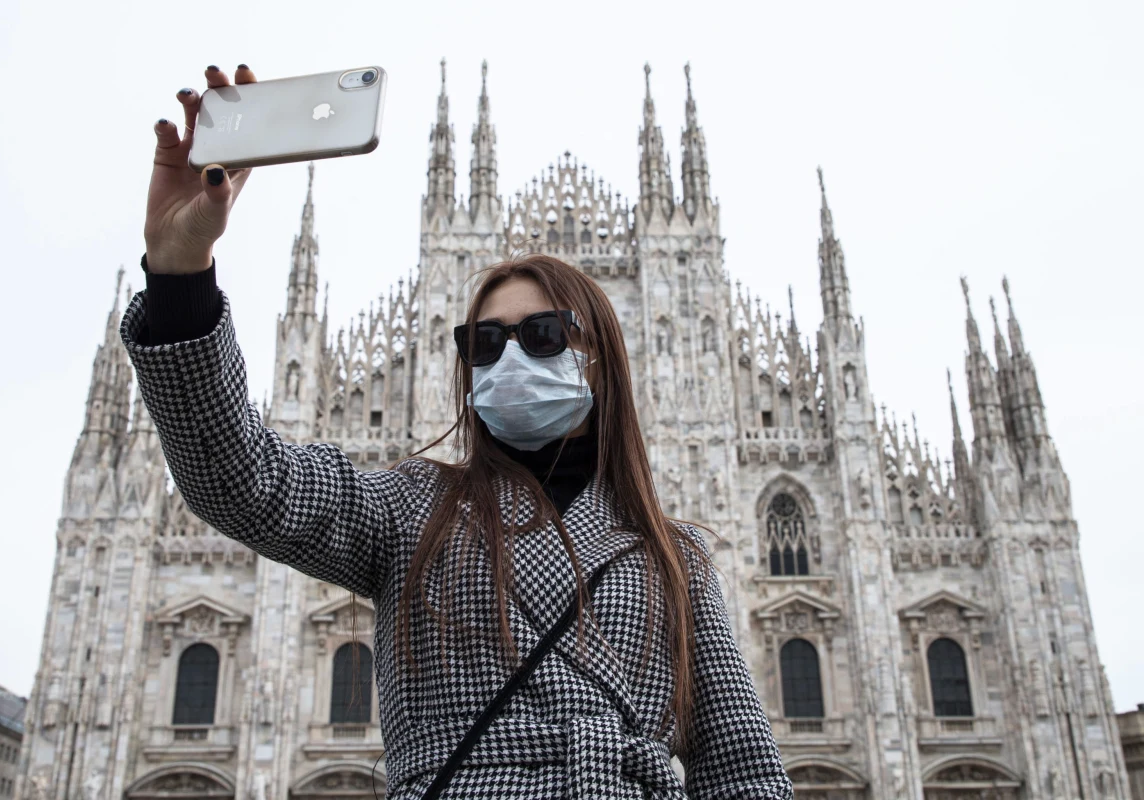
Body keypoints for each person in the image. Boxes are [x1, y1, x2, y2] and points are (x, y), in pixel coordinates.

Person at [125, 64, 793, 799]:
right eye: (483, 343)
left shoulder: (679, 558)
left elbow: (742, 771)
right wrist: (179, 271)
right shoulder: (413, 510)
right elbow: (245, 483)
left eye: (542, 334)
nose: (509, 357)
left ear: (599, 360)